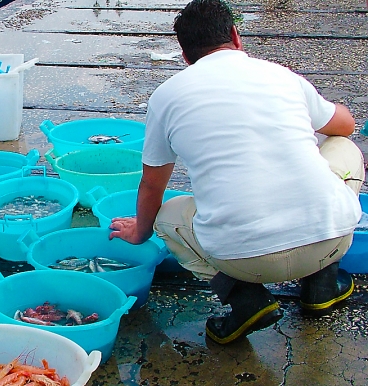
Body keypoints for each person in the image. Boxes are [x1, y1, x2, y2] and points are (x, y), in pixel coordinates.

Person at [109, 0, 365, 345]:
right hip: (331, 240)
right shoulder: (281, 75)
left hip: (243, 260)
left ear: (186, 57)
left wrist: (141, 231)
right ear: (235, 35)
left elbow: (152, 185)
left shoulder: (166, 96)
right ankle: (322, 283)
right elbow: (345, 126)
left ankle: (247, 301)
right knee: (342, 148)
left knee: (167, 214)